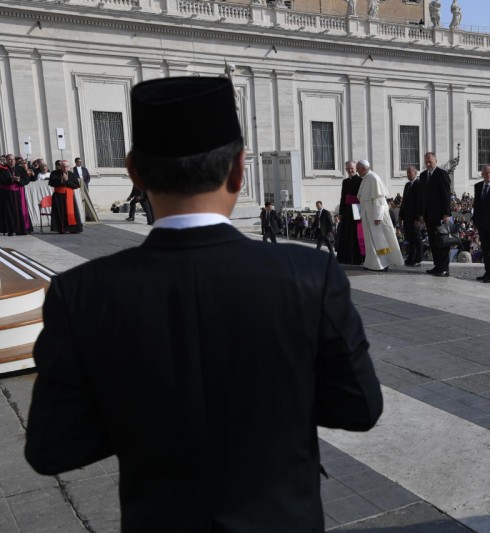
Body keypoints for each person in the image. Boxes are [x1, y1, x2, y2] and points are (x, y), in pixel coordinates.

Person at [25, 76, 383, 531]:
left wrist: (139, 414)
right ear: (239, 170)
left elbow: (52, 446)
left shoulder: (80, 293)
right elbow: (359, 407)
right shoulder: (310, 275)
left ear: (134, 173)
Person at [356, 160, 404, 271]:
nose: (357, 170)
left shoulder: (373, 178)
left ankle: (382, 263)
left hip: (376, 217)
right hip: (368, 216)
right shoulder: (366, 178)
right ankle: (371, 263)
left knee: (380, 241)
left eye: (358, 168)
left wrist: (377, 216)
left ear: (363, 168)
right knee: (370, 241)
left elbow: (379, 200)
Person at [420, 152, 452, 277]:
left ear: (436, 161)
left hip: (440, 215)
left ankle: (444, 268)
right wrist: (421, 213)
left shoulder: (442, 174)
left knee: (442, 242)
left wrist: (446, 214)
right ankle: (437, 266)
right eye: (426, 162)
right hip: (428, 215)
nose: (428, 164)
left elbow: (446, 195)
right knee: (433, 242)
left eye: (430, 161)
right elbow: (422, 196)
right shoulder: (423, 175)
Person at [337, 160, 365, 265]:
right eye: (348, 168)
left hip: (357, 209)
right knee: (346, 234)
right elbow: (342, 198)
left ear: (355, 169)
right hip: (347, 211)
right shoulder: (345, 182)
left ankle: (357, 258)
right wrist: (340, 212)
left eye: (352, 168)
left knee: (356, 233)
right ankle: (345, 257)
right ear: (345, 169)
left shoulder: (361, 180)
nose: (350, 170)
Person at [0, 154, 33, 236]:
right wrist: (11, 179)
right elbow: (1, 180)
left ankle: (21, 229)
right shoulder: (2, 168)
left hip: (19, 192)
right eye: (9, 160)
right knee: (9, 211)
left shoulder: (20, 168)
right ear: (6, 160)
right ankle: (10, 230)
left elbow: (27, 179)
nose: (12, 161)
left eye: (13, 159)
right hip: (7, 194)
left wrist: (19, 180)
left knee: (20, 210)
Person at [48, 159, 83, 233]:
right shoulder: (54, 173)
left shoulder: (72, 174)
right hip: (58, 196)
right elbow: (51, 183)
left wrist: (67, 180)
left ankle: (72, 229)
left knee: (71, 212)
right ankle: (61, 229)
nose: (65, 168)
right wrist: (61, 180)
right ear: (60, 167)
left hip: (69, 196)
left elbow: (76, 186)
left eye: (66, 167)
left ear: (69, 167)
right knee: (60, 212)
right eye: (63, 167)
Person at [398, 165, 423, 266]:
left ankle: (417, 259)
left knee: (417, 238)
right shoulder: (407, 185)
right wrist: (400, 215)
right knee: (409, 238)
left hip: (414, 217)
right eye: (407, 173)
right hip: (407, 217)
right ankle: (411, 257)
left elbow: (419, 202)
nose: (408, 174)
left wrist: (417, 218)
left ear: (415, 173)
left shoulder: (419, 184)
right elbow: (404, 202)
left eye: (410, 173)